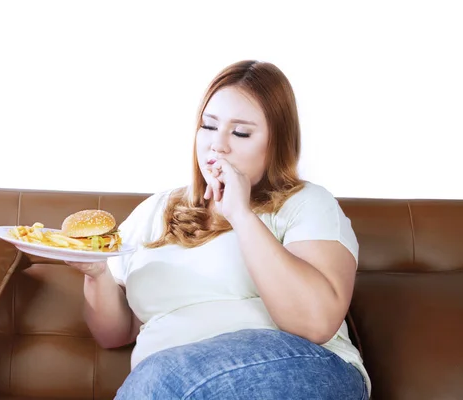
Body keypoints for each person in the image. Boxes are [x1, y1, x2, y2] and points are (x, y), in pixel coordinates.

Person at [68, 60, 371, 399]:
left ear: (276, 143)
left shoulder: (306, 203)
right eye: (209, 127)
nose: (218, 145)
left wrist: (241, 215)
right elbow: (115, 334)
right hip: (174, 381)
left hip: (305, 367)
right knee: (161, 377)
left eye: (240, 132)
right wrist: (95, 274)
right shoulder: (155, 210)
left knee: (162, 378)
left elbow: (315, 324)